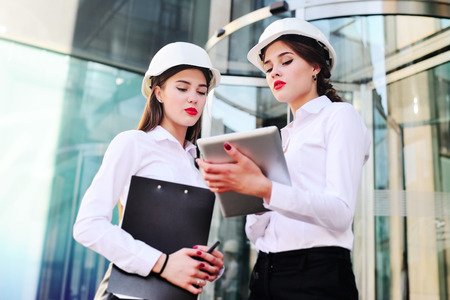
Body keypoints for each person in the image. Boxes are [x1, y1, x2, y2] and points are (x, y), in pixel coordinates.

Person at [196, 18, 371, 300]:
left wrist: (264, 188)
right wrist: (250, 193)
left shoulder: (340, 116)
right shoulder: (280, 137)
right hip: (264, 271)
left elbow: (340, 213)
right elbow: (256, 234)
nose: (274, 71)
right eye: (268, 68)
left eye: (286, 61)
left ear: (316, 66)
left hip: (317, 274)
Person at [73, 42, 224, 299]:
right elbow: (87, 226)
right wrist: (161, 263)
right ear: (159, 93)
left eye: (201, 91)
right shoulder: (133, 143)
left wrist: (208, 264)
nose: (193, 98)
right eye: (182, 88)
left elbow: (180, 242)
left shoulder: (198, 165)